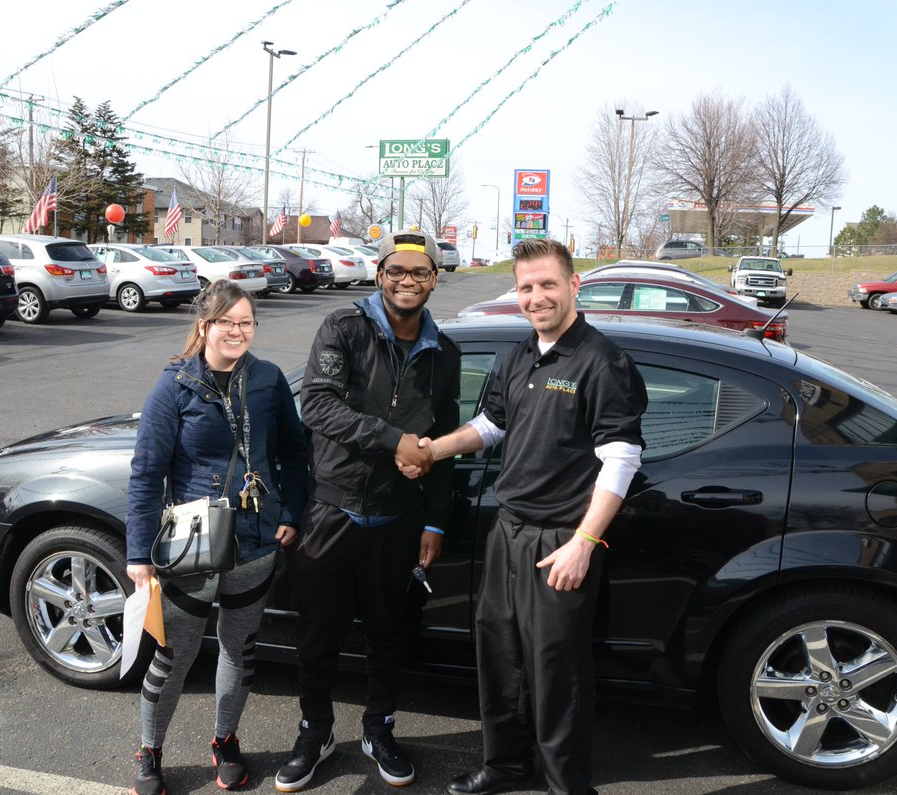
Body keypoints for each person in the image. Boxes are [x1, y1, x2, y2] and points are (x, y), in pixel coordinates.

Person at [410, 238, 647, 795]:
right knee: (500, 658)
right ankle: (505, 766)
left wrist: (584, 542)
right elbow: (491, 426)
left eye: (547, 284)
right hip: (508, 531)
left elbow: (622, 456)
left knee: (555, 673)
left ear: (574, 286)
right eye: (525, 287)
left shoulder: (602, 361)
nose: (536, 297)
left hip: (561, 539)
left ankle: (567, 785)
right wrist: (432, 451)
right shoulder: (517, 356)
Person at [273, 231, 461, 792]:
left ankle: (379, 730)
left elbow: (445, 439)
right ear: (380, 275)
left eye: (420, 272)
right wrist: (392, 438)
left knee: (388, 631)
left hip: (398, 517)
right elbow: (318, 406)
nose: (408, 281)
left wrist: (435, 519)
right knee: (318, 633)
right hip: (332, 509)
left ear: (433, 279)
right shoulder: (344, 327)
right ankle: (316, 732)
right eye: (397, 271)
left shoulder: (443, 354)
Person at [125, 280, 308, 795]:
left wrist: (290, 509)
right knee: (174, 654)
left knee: (239, 647)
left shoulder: (269, 381)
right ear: (204, 326)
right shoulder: (174, 386)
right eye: (227, 322)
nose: (237, 331)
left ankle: (225, 739)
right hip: (193, 543)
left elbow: (294, 453)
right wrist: (139, 552)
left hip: (255, 540)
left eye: (246, 322)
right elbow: (146, 472)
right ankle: (149, 751)